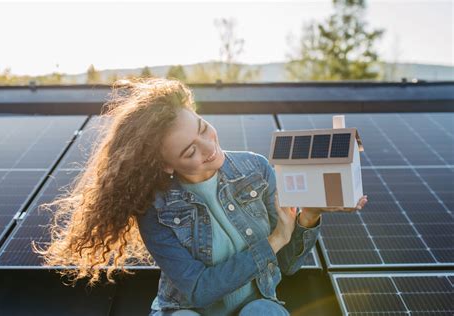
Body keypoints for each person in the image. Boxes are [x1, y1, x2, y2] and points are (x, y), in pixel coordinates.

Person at [33, 77, 368, 316]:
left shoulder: (256, 170)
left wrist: (308, 216)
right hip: (187, 309)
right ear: (165, 165)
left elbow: (287, 266)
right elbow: (198, 289)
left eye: (203, 127)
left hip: (256, 307)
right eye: (190, 150)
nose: (210, 149)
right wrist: (275, 238)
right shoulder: (155, 208)